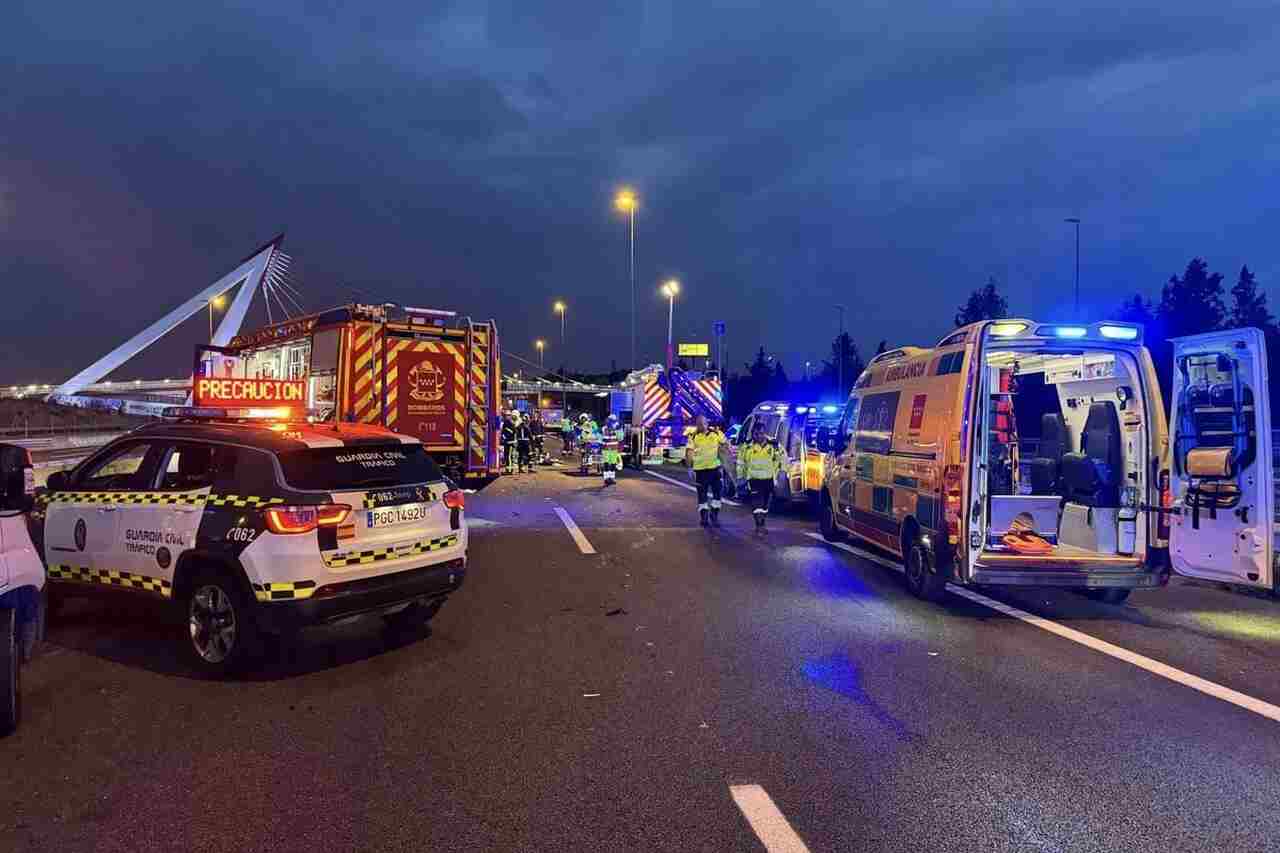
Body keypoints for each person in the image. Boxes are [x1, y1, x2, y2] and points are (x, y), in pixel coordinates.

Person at [737, 422, 785, 532]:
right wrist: (740, 478)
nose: (759, 436)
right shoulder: (746, 446)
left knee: (765, 505)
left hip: (769, 479)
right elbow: (741, 463)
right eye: (756, 433)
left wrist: (781, 473)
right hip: (753, 479)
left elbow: (782, 459)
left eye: (761, 433)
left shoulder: (774, 445)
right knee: (756, 503)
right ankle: (759, 525)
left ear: (765, 433)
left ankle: (762, 522)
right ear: (753, 434)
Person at [685, 414, 726, 527]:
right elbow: (689, 452)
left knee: (717, 495)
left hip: (715, 470)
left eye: (702, 423)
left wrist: (726, 466)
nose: (701, 426)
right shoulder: (693, 436)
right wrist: (689, 468)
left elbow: (725, 448)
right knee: (702, 496)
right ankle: (704, 518)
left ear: (707, 423)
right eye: (698, 424)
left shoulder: (717, 433)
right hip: (700, 471)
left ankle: (714, 515)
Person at [600, 413, 622, 486]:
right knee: (607, 464)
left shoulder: (617, 428)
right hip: (607, 449)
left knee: (612, 464)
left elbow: (620, 438)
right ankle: (607, 479)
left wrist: (618, 430)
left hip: (612, 449)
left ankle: (611, 478)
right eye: (611, 420)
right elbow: (601, 437)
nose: (612, 422)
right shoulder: (604, 428)